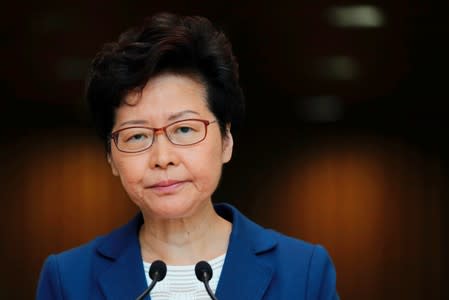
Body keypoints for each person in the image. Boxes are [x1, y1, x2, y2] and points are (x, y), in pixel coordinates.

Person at [36, 12, 338, 299]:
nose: (162, 158)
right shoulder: (68, 279)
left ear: (226, 141)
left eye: (183, 129)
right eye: (137, 135)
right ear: (111, 158)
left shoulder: (304, 272)